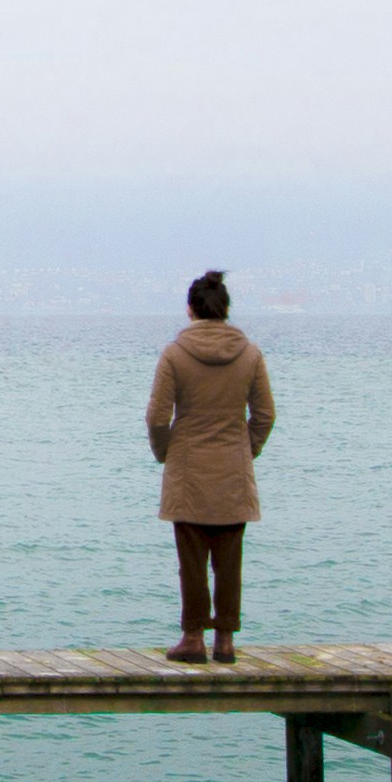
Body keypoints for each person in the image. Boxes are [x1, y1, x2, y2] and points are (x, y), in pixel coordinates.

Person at [147, 270, 275, 663]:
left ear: (190, 309)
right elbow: (265, 414)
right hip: (233, 471)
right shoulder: (250, 353)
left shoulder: (174, 354)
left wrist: (166, 453)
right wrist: (244, 449)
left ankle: (192, 637)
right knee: (228, 560)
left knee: (192, 561)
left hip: (188, 470)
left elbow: (156, 417)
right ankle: (225, 640)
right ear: (226, 310)